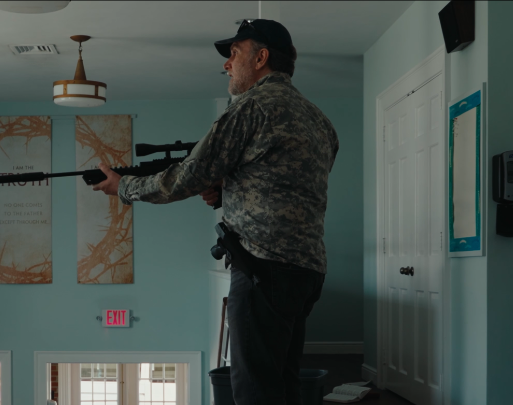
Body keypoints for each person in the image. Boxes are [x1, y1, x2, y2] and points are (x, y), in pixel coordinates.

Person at [91, 20, 338, 405]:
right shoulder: (320, 121)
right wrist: (228, 191)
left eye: (234, 54)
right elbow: (287, 183)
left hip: (262, 269)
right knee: (284, 383)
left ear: (261, 57)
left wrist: (124, 187)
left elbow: (188, 176)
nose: (227, 64)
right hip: (307, 271)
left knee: (255, 390)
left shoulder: (251, 106)